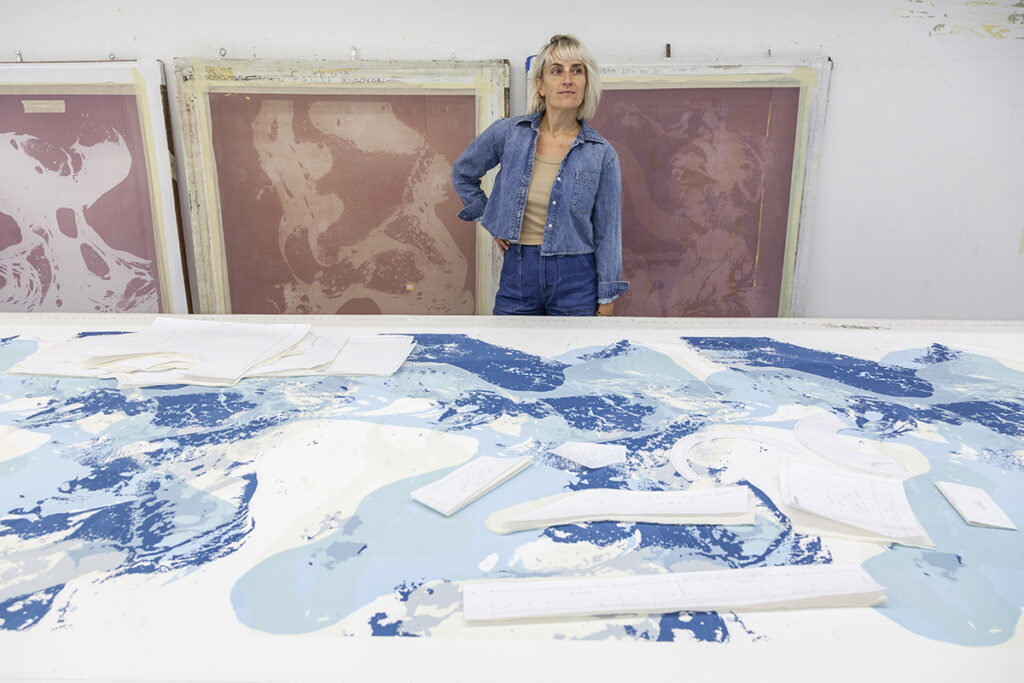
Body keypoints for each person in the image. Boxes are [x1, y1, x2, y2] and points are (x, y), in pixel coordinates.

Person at [451, 34, 627, 316]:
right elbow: (463, 173)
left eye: (577, 70)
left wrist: (606, 300)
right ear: (541, 85)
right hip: (518, 272)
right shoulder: (508, 134)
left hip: (577, 279)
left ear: (586, 84)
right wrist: (492, 219)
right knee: (509, 354)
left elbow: (608, 233)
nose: (567, 79)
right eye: (557, 71)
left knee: (577, 360)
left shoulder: (601, 153)